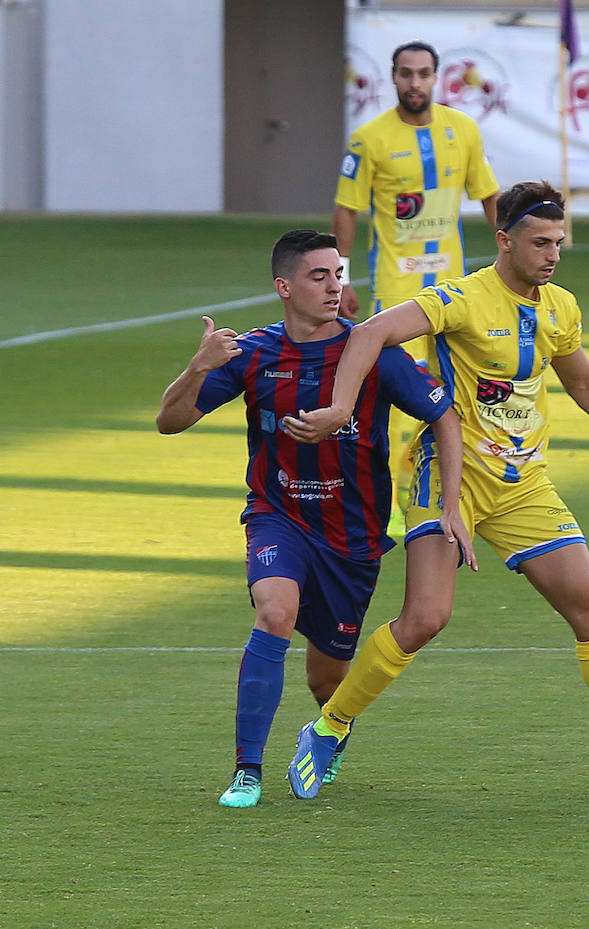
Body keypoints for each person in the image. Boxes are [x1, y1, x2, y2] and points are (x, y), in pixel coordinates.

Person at [281, 180, 589, 801]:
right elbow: (366, 334)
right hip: (446, 475)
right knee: (427, 616)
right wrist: (341, 407)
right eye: (540, 242)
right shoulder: (462, 300)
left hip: (522, 485)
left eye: (559, 243)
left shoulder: (560, 308)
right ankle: (329, 727)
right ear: (504, 241)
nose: (552, 255)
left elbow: (583, 384)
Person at [156, 229, 473, 808]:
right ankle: (246, 773)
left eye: (338, 275)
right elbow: (170, 421)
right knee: (274, 610)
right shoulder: (253, 353)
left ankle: (332, 730)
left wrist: (450, 506)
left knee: (327, 682)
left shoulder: (372, 352)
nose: (334, 287)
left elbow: (444, 415)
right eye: (318, 276)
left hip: (351, 535)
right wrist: (197, 368)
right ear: (284, 287)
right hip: (278, 514)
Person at [334, 40, 501, 534]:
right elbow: (347, 208)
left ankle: (440, 482)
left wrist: (506, 257)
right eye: (405, 74)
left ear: (436, 78)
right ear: (392, 78)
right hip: (395, 287)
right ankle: (378, 487)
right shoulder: (369, 139)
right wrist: (341, 277)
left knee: (453, 385)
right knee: (391, 387)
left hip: (454, 288)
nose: (414, 83)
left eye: (423, 74)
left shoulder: (463, 131)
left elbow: (489, 195)